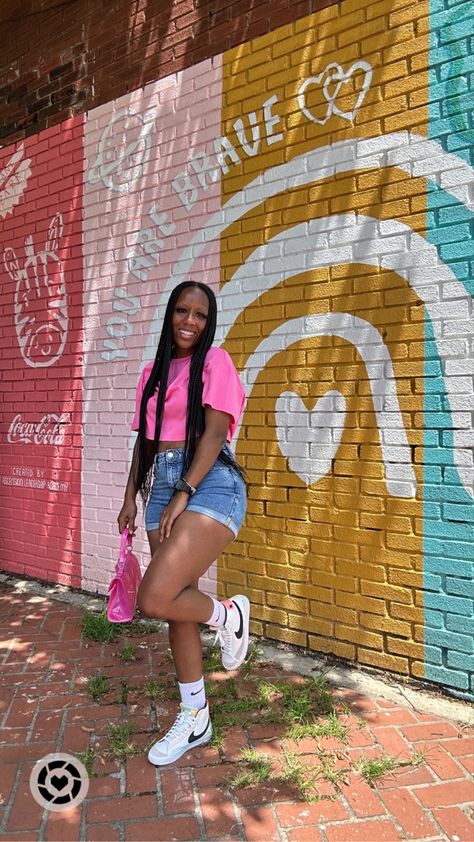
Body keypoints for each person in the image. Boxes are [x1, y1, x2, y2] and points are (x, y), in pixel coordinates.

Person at [117, 280, 249, 766]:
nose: (190, 321)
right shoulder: (152, 373)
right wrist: (130, 498)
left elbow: (215, 433)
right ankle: (196, 716)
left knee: (153, 596)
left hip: (208, 479)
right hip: (159, 484)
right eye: (181, 311)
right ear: (169, 315)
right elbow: (144, 444)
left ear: (208, 321)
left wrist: (184, 492)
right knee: (174, 604)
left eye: (199, 314)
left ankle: (229, 616)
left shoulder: (215, 363)